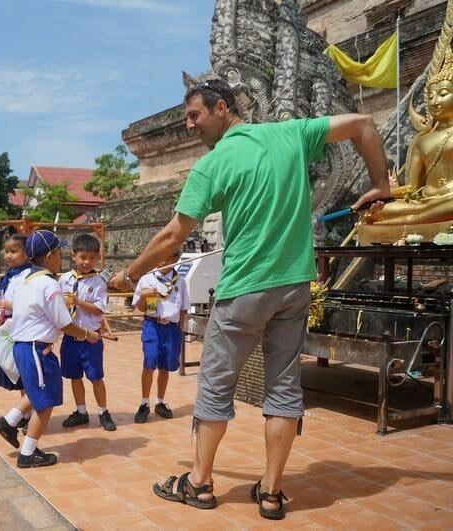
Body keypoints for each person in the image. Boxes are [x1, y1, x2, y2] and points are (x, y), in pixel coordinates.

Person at [109, 78, 390, 520]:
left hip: (244, 289)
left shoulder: (214, 164)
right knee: (283, 388)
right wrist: (381, 185)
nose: (188, 125)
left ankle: (199, 483)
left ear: (222, 109)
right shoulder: (289, 133)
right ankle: (272, 492)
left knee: (216, 388)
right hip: (295, 286)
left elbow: (171, 236)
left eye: (194, 115)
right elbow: (364, 124)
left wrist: (128, 274)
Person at [0, 230, 99, 468]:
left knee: (39, 391)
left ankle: (9, 421)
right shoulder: (48, 284)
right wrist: (88, 334)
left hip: (25, 346)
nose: (61, 259)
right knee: (46, 400)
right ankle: (28, 453)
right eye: (60, 253)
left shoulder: (24, 280)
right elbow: (65, 324)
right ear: (50, 256)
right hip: (36, 348)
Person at [364, 52, 453, 225]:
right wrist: (387, 192)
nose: (434, 102)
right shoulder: (422, 140)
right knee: (372, 211)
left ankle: (411, 219)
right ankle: (413, 217)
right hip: (424, 202)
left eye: (443, 94)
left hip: (450, 201)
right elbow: (412, 188)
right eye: (429, 96)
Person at [58, 233, 115, 431]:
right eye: (83, 257)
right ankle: (81, 411)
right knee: (74, 376)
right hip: (71, 336)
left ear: (97, 257)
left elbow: (99, 309)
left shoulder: (98, 282)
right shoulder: (64, 279)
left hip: (91, 338)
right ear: (74, 256)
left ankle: (103, 411)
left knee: (96, 377)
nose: (87, 262)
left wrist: (78, 302)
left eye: (92, 258)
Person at [131, 249, 189, 424]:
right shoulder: (147, 279)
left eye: (166, 257)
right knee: (149, 362)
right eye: (158, 257)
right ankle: (144, 403)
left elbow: (184, 308)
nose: (161, 261)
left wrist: (180, 330)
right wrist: (144, 296)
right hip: (152, 325)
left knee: (166, 365)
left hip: (171, 328)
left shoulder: (180, 281)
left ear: (175, 258)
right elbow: (140, 308)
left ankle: (160, 402)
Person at [0, 234, 33, 431]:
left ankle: (29, 413)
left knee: (26, 374)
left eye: (13, 251)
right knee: (18, 373)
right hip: (10, 327)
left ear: (27, 253)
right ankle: (27, 412)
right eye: (6, 251)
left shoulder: (29, 276)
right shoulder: (10, 276)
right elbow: (4, 301)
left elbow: (32, 305)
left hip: (24, 329)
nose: (8, 256)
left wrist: (10, 305)